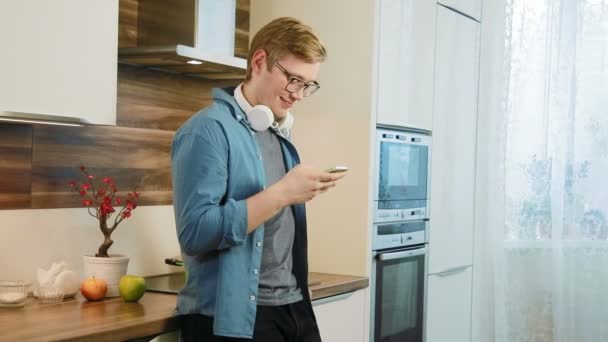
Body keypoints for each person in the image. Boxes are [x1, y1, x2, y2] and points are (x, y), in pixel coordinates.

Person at [171, 17, 347, 341]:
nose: (299, 94)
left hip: (293, 307)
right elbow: (195, 233)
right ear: (259, 62)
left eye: (308, 84)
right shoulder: (207, 131)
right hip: (238, 319)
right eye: (293, 79)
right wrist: (281, 194)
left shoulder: (279, 132)